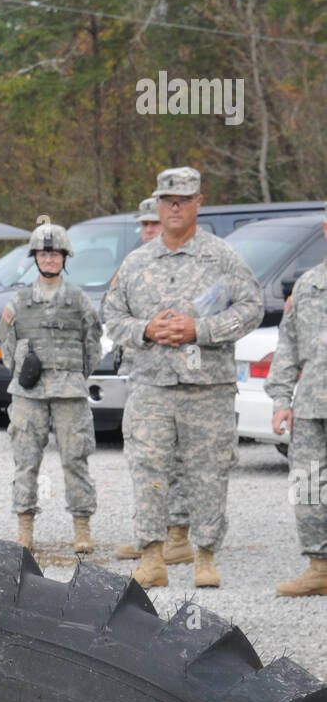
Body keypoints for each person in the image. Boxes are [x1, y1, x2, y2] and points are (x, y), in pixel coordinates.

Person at [102, 167, 263, 589]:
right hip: (152, 386)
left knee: (210, 471)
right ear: (158, 203)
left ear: (198, 203)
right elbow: (112, 315)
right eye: (167, 200)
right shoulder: (136, 262)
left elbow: (251, 308)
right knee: (148, 468)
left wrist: (200, 330)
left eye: (184, 199)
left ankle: (204, 556)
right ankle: (153, 557)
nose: (175, 207)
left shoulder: (222, 257)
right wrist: (146, 330)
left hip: (207, 387)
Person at [0, 214, 102, 555]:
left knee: (76, 459)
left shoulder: (78, 300)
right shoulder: (20, 302)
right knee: (26, 460)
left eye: (55, 254)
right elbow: (6, 343)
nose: (49, 259)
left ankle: (81, 527)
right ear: (35, 259)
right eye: (43, 254)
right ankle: (25, 526)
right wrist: (20, 374)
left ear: (64, 258)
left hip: (70, 392)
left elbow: (93, 344)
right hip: (29, 394)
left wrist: (76, 375)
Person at [115, 196, 193, 567]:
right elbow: (115, 317)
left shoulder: (183, 267)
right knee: (143, 456)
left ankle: (177, 535)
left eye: (154, 224)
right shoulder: (132, 267)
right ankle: (150, 533)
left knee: (177, 457)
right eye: (144, 225)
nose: (149, 230)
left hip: (179, 377)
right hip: (142, 374)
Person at [267, 202, 327, 596]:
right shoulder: (309, 285)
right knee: (308, 486)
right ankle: (319, 567)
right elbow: (287, 346)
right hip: (311, 406)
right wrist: (280, 400)